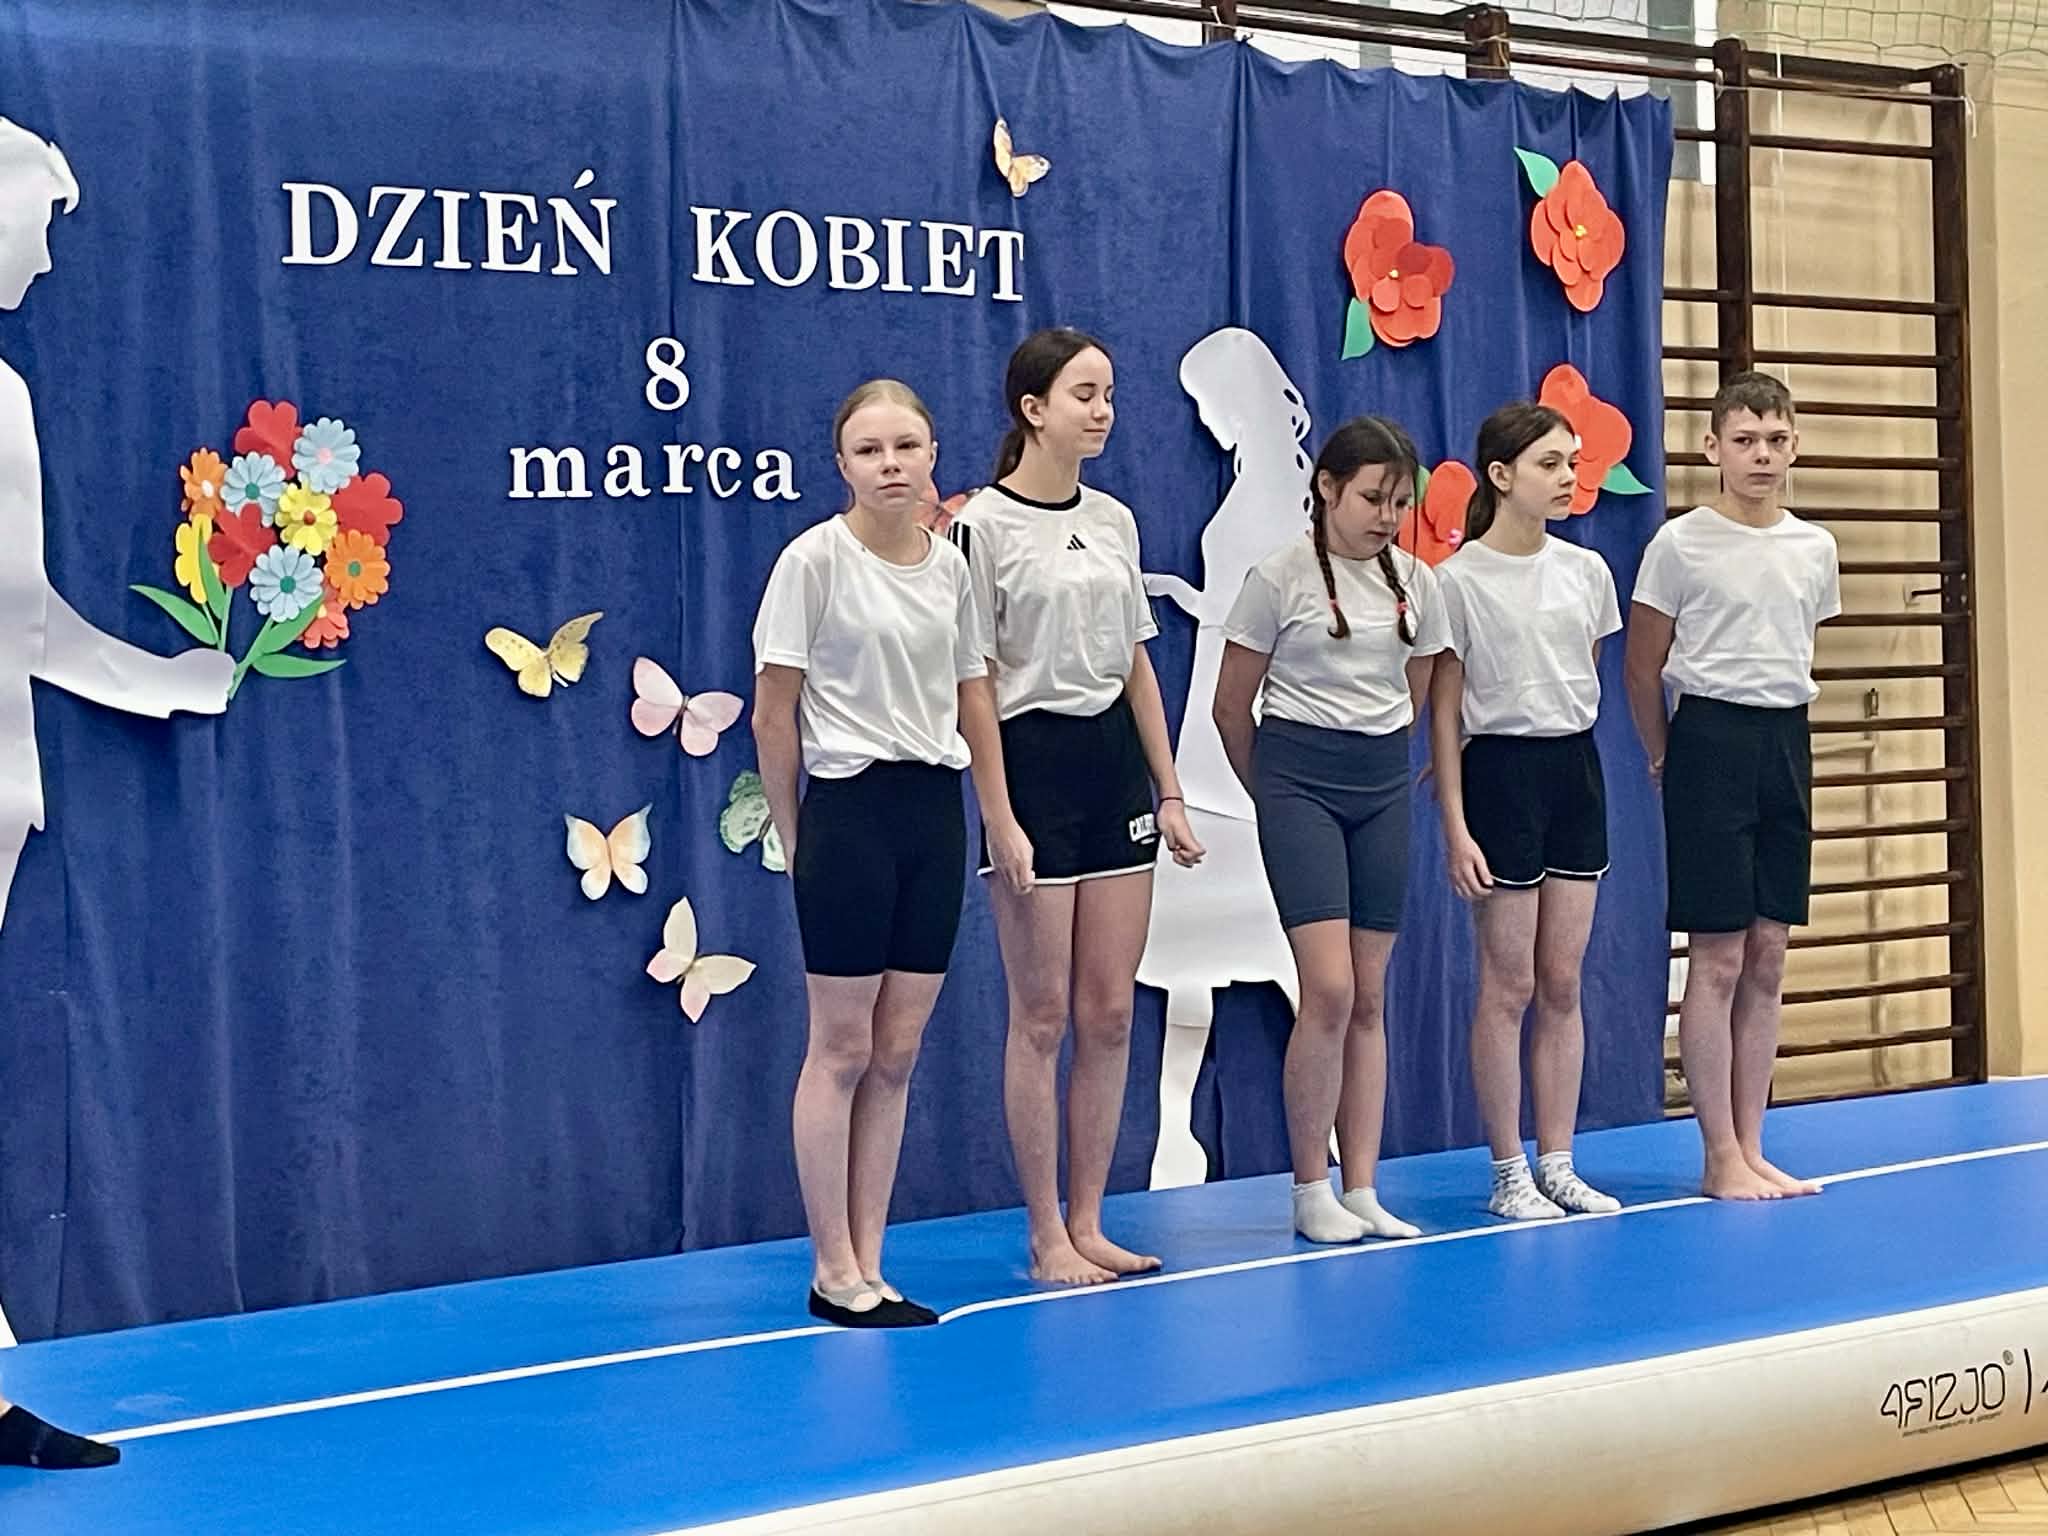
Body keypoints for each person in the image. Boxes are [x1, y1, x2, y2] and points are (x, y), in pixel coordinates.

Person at [949, 328, 1203, 1287]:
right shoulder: (981, 527)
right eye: (1083, 395)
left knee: (1110, 1011)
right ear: (1033, 409)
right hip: (1032, 765)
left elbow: (1136, 660)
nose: (1102, 412)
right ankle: (1045, 1231)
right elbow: (974, 681)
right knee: (1043, 1014)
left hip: (1112, 770)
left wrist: (1168, 790)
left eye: (1108, 394)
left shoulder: (1115, 520)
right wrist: (1000, 814)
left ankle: (1092, 1220)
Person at [751, 379, 987, 1326]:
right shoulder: (812, 562)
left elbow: (970, 691)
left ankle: (872, 1259)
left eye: (905, 447)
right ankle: (831, 1267)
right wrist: (796, 830)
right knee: (842, 1046)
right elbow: (773, 715)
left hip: (933, 812)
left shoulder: (951, 569)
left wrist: (999, 818)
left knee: (897, 1051)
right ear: (841, 464)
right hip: (848, 811)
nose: (890, 466)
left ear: (933, 456)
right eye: (869, 450)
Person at [1213, 416, 1446, 1244]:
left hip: (1379, 785)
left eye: (1400, 503)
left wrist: (1375, 754)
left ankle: (1365, 1185)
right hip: (1297, 782)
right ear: (1327, 488)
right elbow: (1230, 707)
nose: (1387, 516)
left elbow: (1417, 689)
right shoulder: (1278, 577)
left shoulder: (1418, 583)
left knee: (1370, 995)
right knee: (1330, 989)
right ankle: (1310, 1185)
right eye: (1373, 498)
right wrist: (1275, 796)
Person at [1624, 372, 1838, 1202]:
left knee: (1770, 951)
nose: (1761, 455)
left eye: (1776, 440)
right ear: (1713, 447)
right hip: (1708, 738)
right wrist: (1664, 754)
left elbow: (1795, 643)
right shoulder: (1680, 544)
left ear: (1795, 447)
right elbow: (1642, 665)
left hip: (1784, 737)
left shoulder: (1813, 548)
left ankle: (1752, 1144)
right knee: (1715, 957)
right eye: (1745, 440)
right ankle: (1716, 1153)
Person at [1431, 402, 1624, 1221]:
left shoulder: (1587, 572)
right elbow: (1444, 710)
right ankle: (1509, 1170)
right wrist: (1455, 825)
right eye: (1550, 463)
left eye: (1572, 462)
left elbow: (1586, 671)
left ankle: (1560, 1161)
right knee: (1508, 983)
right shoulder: (1458, 580)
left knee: (1562, 979)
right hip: (1498, 773)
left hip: (1572, 770)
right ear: (1501, 475)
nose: (1568, 477)